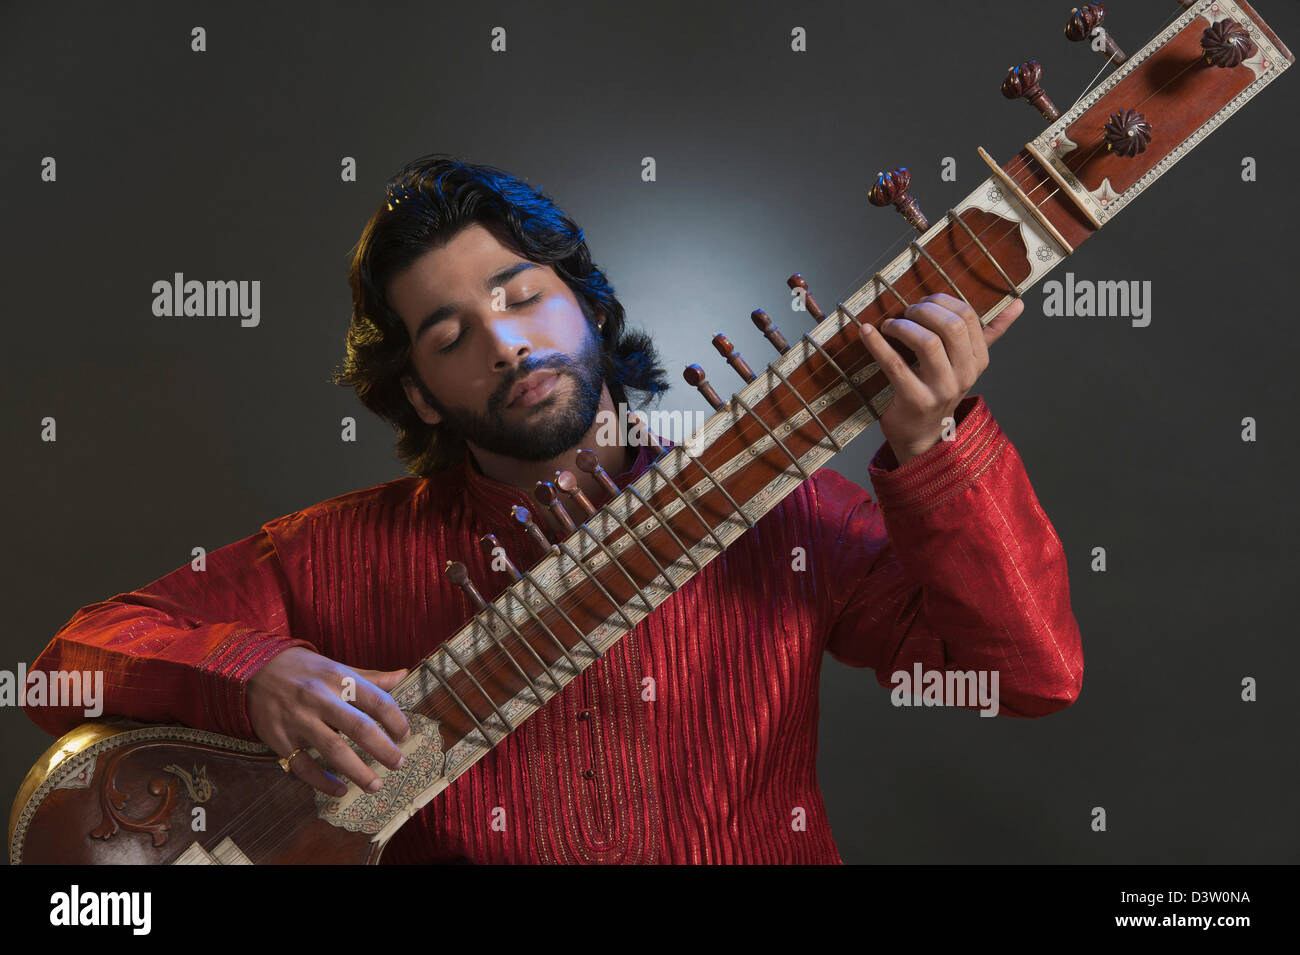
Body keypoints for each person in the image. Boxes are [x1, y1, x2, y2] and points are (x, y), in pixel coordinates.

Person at [22, 154, 1083, 864]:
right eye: (449, 334)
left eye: (522, 294)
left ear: (586, 300)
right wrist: (262, 678)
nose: (504, 341)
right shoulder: (332, 551)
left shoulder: (779, 512)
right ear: (422, 392)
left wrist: (932, 444)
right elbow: (62, 663)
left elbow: (1026, 677)